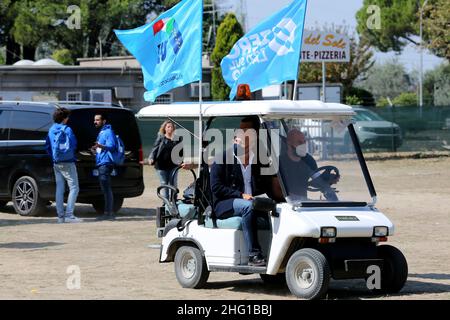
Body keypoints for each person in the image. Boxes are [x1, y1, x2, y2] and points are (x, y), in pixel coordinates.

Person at [210, 117, 268, 266]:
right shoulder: (223, 157)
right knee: (247, 206)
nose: (240, 134)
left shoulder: (259, 159)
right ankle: (254, 254)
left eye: (245, 131)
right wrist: (241, 195)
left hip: (252, 201)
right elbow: (216, 187)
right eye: (239, 131)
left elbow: (264, 185)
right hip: (225, 204)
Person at [280, 129, 338, 201]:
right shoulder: (280, 162)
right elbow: (277, 191)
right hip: (285, 206)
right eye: (299, 142)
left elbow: (317, 180)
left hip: (303, 205)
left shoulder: (308, 160)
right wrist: (310, 201)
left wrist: (327, 180)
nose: (303, 145)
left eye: (304, 142)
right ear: (289, 144)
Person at [45, 108, 81, 223]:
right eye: (67, 117)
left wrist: (54, 158)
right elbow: (74, 144)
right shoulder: (67, 129)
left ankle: (60, 216)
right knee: (74, 187)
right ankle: (69, 215)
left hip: (56, 163)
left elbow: (47, 146)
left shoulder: (51, 130)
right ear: (64, 118)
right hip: (68, 162)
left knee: (59, 189)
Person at [148, 120, 184, 200]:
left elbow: (181, 152)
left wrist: (181, 162)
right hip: (161, 166)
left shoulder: (178, 139)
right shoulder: (161, 138)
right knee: (164, 184)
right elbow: (155, 149)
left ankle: (174, 202)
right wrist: (151, 158)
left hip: (173, 166)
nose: (170, 128)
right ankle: (166, 204)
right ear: (165, 128)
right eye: (168, 127)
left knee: (173, 184)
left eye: (171, 127)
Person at [92, 113, 117, 220]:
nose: (95, 122)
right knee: (105, 189)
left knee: (106, 189)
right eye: (95, 120)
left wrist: (100, 146)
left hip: (105, 163)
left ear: (104, 121)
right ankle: (108, 212)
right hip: (101, 162)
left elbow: (112, 146)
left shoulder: (108, 132)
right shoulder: (102, 132)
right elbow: (102, 149)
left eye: (98, 120)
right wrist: (95, 150)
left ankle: (108, 213)